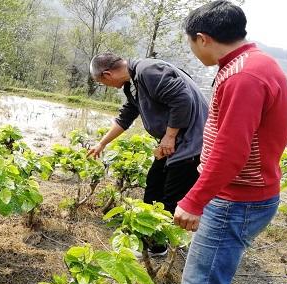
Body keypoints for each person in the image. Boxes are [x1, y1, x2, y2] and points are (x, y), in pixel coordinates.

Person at [137, 1, 287, 284]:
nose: (192, 50)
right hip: (241, 193)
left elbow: (231, 147)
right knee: (199, 269)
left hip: (238, 198)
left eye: (191, 43)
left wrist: (195, 199)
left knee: (205, 283)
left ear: (203, 39)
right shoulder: (251, 64)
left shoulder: (243, 76)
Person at [87, 51, 208, 256]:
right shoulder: (133, 84)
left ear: (107, 75)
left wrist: (169, 136)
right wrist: (101, 144)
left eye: (101, 82)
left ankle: (161, 245)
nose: (104, 85)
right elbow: (125, 117)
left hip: (191, 144)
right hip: (174, 143)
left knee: (171, 196)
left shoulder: (148, 71)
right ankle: (151, 239)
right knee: (154, 185)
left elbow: (183, 101)